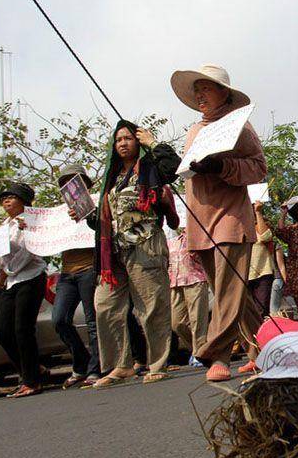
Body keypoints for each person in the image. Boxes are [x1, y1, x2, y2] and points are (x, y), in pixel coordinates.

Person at [170, 64, 267, 381]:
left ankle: (217, 355)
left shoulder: (239, 125)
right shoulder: (194, 131)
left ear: (225, 93)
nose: (200, 94)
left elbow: (258, 168)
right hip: (200, 222)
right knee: (233, 294)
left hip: (230, 218)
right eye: (197, 90)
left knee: (227, 292)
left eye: (207, 88)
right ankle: (267, 348)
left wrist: (222, 165)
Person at [87, 121, 179, 387]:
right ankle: (121, 365)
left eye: (128, 138)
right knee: (104, 306)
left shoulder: (149, 167)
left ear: (138, 141)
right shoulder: (111, 177)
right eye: (118, 140)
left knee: (151, 306)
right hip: (114, 252)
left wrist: (154, 143)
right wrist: (85, 215)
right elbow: (105, 220)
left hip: (146, 244)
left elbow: (173, 169)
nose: (123, 143)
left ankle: (158, 363)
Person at [0, 183, 46, 397]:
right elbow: (1, 255)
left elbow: (28, 252)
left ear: (23, 200)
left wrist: (6, 271)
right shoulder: (4, 226)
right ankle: (32, 370)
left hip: (31, 277)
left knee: (23, 329)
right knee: (1, 330)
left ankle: (31, 381)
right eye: (3, 198)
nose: (6, 201)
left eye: (11, 197)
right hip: (12, 281)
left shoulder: (31, 222)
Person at [53, 164, 101, 388]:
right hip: (66, 274)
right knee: (59, 319)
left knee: (93, 321)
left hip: (89, 269)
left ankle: (94, 369)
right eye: (65, 182)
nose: (69, 186)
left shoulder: (96, 202)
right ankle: (81, 361)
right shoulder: (57, 213)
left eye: (74, 180)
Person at [167, 228, 209, 367]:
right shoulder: (169, 236)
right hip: (174, 281)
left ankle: (200, 353)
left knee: (197, 319)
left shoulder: (194, 231)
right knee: (176, 322)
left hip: (195, 278)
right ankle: (199, 349)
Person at [248, 201, 275, 320]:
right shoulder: (239, 226)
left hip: (263, 273)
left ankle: (261, 337)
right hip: (244, 275)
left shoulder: (262, 225)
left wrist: (258, 212)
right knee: (247, 310)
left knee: (261, 309)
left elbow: (265, 237)